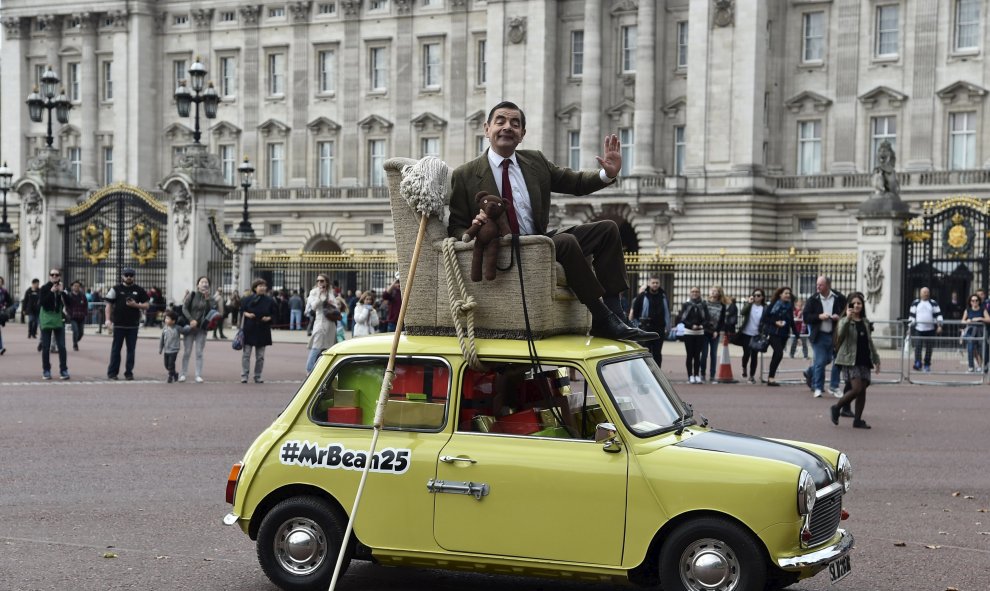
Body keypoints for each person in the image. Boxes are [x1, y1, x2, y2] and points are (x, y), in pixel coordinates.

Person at [446, 101, 658, 343]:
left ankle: (616, 312)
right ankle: (600, 316)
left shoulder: (535, 162)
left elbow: (575, 182)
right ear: (487, 129)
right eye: (501, 121)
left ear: (522, 135)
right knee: (565, 242)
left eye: (515, 124)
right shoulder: (465, 174)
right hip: (507, 249)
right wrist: (476, 226)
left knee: (607, 229)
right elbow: (456, 227)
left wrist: (607, 174)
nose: (508, 127)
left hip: (539, 242)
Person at [830, 292, 880, 429]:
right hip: (850, 359)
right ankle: (837, 407)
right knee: (857, 388)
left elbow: (870, 342)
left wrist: (876, 359)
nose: (857, 306)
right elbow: (841, 333)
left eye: (859, 303)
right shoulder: (844, 320)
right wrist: (847, 318)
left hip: (864, 359)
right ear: (849, 305)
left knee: (862, 390)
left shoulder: (865, 322)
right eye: (854, 303)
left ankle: (857, 420)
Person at [803, 276, 847, 398]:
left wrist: (840, 318)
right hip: (820, 335)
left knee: (837, 360)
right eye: (817, 284)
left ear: (828, 285)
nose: (817, 287)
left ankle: (834, 386)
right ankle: (818, 387)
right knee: (821, 361)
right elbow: (806, 317)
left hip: (836, 334)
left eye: (820, 285)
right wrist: (819, 316)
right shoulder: (813, 299)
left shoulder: (839, 298)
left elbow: (846, 312)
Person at [104, 267, 150, 380]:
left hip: (133, 325)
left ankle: (129, 372)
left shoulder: (139, 290)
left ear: (134, 276)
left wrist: (136, 305)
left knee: (131, 350)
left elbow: (147, 305)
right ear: (122, 276)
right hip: (119, 324)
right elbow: (108, 305)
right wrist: (107, 319)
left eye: (131, 275)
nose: (129, 277)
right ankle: (112, 373)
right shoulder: (115, 289)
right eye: (126, 275)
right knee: (116, 349)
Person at [179, 275, 217, 383]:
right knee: (187, 351)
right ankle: (183, 374)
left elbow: (213, 311)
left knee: (199, 352)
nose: (204, 284)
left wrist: (208, 299)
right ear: (198, 285)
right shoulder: (192, 295)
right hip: (190, 327)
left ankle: (198, 375)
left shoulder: (211, 298)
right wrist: (191, 320)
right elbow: (184, 308)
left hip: (202, 328)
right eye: (202, 282)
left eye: (206, 282)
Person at [241, 278, 276, 384]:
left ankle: (258, 375)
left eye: (264, 286)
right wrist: (247, 314)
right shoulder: (247, 299)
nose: (262, 288)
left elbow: (275, 313)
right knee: (246, 354)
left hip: (263, 329)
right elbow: (242, 310)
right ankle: (244, 375)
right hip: (249, 329)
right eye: (260, 286)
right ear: (255, 288)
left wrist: (269, 318)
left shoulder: (270, 300)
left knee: (260, 356)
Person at [629, 277, 670, 368]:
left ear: (659, 284)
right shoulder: (642, 296)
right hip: (645, 328)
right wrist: (640, 323)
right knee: (646, 351)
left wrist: (667, 327)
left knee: (657, 352)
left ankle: (657, 371)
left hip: (659, 329)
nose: (655, 284)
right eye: (653, 283)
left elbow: (667, 312)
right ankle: (646, 371)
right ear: (649, 284)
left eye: (657, 283)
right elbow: (635, 312)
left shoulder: (663, 296)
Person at [39, 269, 70, 380]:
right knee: (46, 347)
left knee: (61, 346)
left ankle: (64, 370)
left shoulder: (63, 288)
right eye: (52, 274)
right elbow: (42, 302)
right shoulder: (44, 288)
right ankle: (46, 370)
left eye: (57, 275)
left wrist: (62, 292)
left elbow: (69, 302)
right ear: (49, 276)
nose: (54, 276)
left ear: (59, 276)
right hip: (46, 320)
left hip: (58, 319)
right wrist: (51, 291)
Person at [306, 274, 339, 372]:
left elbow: (336, 306)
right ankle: (309, 369)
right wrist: (320, 296)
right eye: (318, 281)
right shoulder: (314, 292)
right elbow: (313, 307)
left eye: (322, 281)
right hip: (320, 323)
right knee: (316, 347)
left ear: (326, 282)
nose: (319, 283)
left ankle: (323, 370)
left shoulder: (330, 292)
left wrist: (330, 302)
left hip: (331, 323)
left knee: (327, 348)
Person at [764, 286, 796, 387]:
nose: (788, 295)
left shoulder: (789, 306)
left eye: (789, 293)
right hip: (773, 333)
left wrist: (797, 334)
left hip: (784, 334)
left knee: (776, 355)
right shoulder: (773, 305)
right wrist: (775, 322)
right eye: (786, 293)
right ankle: (771, 377)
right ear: (780, 295)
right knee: (779, 353)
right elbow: (764, 318)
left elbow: (791, 321)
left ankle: (770, 378)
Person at [679, 287, 710, 384]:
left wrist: (701, 326)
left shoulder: (703, 305)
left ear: (700, 293)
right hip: (689, 332)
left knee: (697, 355)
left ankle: (697, 375)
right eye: (693, 291)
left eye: (697, 291)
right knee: (690, 355)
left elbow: (707, 318)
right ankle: (690, 376)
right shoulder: (686, 305)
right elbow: (682, 318)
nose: (695, 293)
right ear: (690, 293)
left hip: (699, 332)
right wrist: (691, 325)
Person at [908, 286, 943, 373]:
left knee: (929, 348)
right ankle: (918, 362)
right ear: (920, 293)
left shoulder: (933, 303)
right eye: (924, 292)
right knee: (918, 347)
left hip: (930, 330)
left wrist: (939, 326)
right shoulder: (915, 303)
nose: (926, 294)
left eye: (927, 292)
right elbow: (911, 316)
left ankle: (927, 364)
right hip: (918, 329)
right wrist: (909, 327)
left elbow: (938, 315)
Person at [738, 289, 767, 384]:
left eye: (758, 295)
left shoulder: (765, 307)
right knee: (746, 353)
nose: (756, 297)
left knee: (754, 356)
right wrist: (749, 303)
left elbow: (767, 319)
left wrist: (764, 332)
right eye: (754, 295)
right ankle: (744, 366)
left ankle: (751, 376)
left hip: (757, 335)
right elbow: (742, 312)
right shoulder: (750, 306)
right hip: (746, 333)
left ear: (762, 297)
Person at [699, 286, 727, 383]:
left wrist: (717, 331)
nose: (714, 292)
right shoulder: (704, 304)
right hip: (705, 332)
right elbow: (702, 318)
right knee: (704, 354)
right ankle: (702, 374)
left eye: (716, 291)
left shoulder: (722, 306)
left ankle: (712, 375)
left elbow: (722, 321)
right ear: (709, 292)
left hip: (715, 333)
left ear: (719, 293)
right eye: (712, 291)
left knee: (713, 354)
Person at [159, 310, 190, 383]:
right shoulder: (165, 328)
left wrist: (189, 327)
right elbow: (162, 339)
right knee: (166, 365)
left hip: (174, 350)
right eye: (166, 318)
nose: (166, 320)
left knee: (171, 364)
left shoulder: (177, 328)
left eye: (168, 319)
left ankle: (170, 376)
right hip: (166, 350)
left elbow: (184, 331)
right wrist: (161, 348)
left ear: (173, 321)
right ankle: (175, 374)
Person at [961, 293, 988, 372]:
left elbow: (988, 319)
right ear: (970, 302)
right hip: (970, 331)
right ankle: (971, 366)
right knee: (971, 348)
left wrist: (980, 318)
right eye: (972, 300)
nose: (974, 302)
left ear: (979, 301)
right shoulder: (967, 310)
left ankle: (983, 366)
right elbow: (962, 321)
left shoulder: (983, 309)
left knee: (982, 349)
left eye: (976, 300)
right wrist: (967, 321)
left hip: (980, 331)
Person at [65, 280, 89, 351]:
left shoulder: (82, 296)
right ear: (72, 287)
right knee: (75, 331)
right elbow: (67, 306)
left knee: (81, 333)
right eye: (75, 286)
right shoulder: (69, 295)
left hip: (81, 316)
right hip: (73, 317)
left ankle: (76, 340)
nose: (76, 287)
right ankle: (75, 344)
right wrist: (69, 314)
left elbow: (86, 305)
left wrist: (85, 313)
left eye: (78, 286)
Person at [0, 276, 13, 356]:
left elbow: (10, 301)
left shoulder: (4, 291)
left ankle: (1, 348)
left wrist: (5, 305)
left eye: (0, 282)